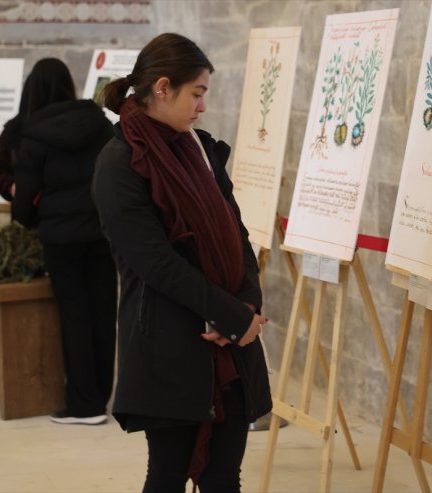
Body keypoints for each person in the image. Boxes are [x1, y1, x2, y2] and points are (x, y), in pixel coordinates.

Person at [92, 33, 271, 492]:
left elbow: (236, 233)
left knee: (223, 477)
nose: (202, 106)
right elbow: (153, 261)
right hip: (169, 340)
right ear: (163, 87)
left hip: (230, 343)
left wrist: (246, 305)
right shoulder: (118, 164)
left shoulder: (203, 150)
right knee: (168, 476)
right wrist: (229, 315)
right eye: (197, 93)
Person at [11, 58, 117, 425]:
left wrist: (28, 217)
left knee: (75, 314)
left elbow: (24, 199)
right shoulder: (102, 125)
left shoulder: (35, 136)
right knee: (104, 313)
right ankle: (102, 397)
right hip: (102, 234)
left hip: (60, 238)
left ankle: (84, 406)